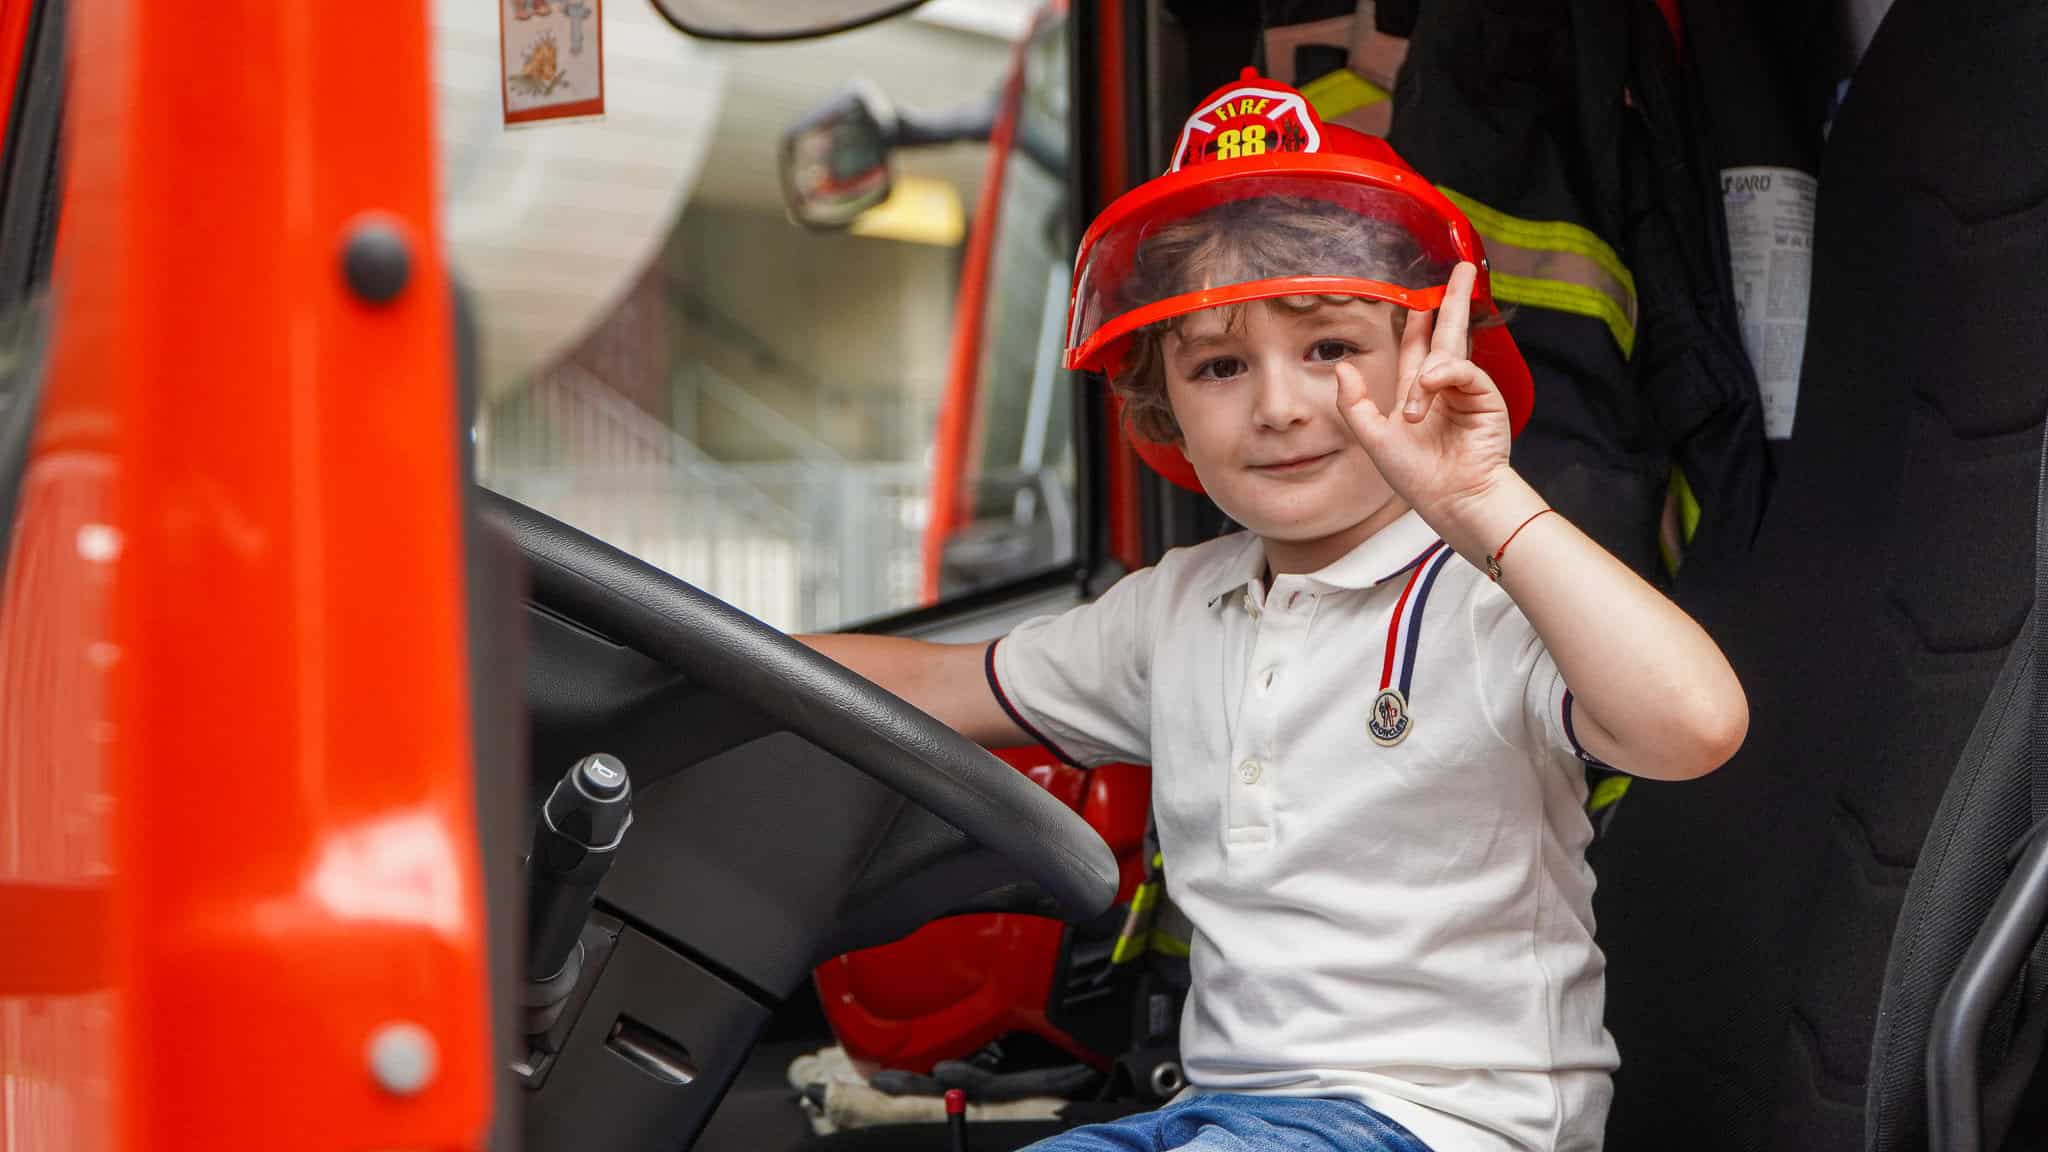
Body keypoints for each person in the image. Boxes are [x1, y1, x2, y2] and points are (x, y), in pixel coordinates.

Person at [803, 70, 1747, 1152]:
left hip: (1441, 1126)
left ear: (1427, 362)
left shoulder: (1489, 591)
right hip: (1214, 1115)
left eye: (1330, 349)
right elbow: (935, 684)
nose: (1280, 405)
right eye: (1217, 365)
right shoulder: (1175, 607)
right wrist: (662, 648)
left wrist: (1484, 503)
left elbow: (1693, 725)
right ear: (1164, 405)